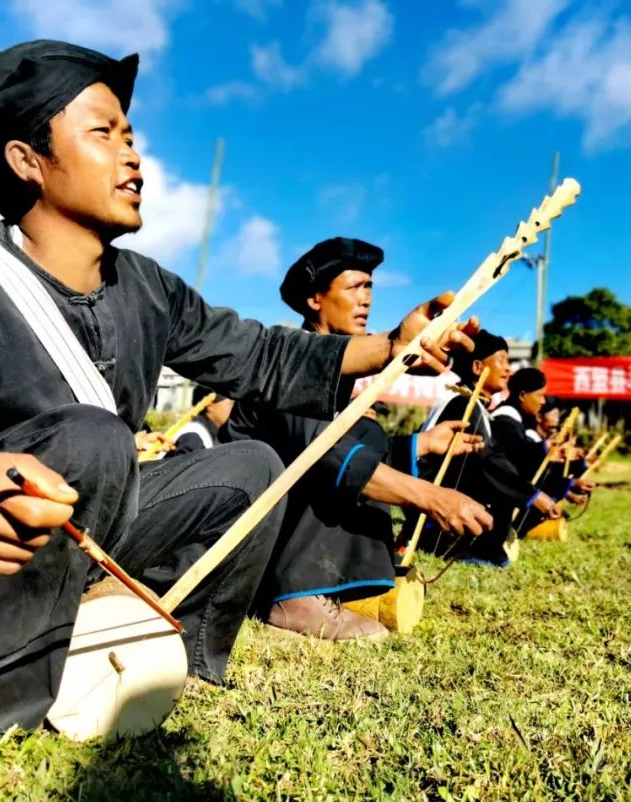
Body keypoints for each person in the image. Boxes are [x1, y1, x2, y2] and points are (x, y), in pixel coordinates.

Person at [0, 40, 477, 733]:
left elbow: (262, 355)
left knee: (252, 468)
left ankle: (177, 659)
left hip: (87, 531)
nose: (133, 155)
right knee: (91, 435)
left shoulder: (147, 288)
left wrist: (392, 346)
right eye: (103, 134)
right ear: (27, 161)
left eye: (131, 136)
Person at [224, 237, 490, 640]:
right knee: (349, 443)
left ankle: (331, 586)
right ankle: (293, 596)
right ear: (316, 299)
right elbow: (325, 454)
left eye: (370, 287)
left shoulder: (339, 382)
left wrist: (420, 445)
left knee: (365, 429)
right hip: (245, 531)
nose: (366, 299)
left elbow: (347, 449)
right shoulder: (294, 364)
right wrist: (433, 497)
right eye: (354, 287)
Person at [410, 334, 561, 564]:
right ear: (478, 367)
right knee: (500, 488)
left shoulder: (473, 403)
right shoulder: (463, 402)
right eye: (501, 360)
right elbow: (485, 459)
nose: (508, 369)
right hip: (432, 513)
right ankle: (465, 548)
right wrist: (531, 494)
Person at [489, 368, 587, 533]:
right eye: (539, 395)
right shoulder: (505, 421)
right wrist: (545, 449)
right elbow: (519, 463)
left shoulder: (516, 422)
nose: (543, 402)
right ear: (522, 395)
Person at [166, 385, 233, 457]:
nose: (233, 408)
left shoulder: (214, 433)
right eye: (230, 404)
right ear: (210, 405)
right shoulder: (193, 436)